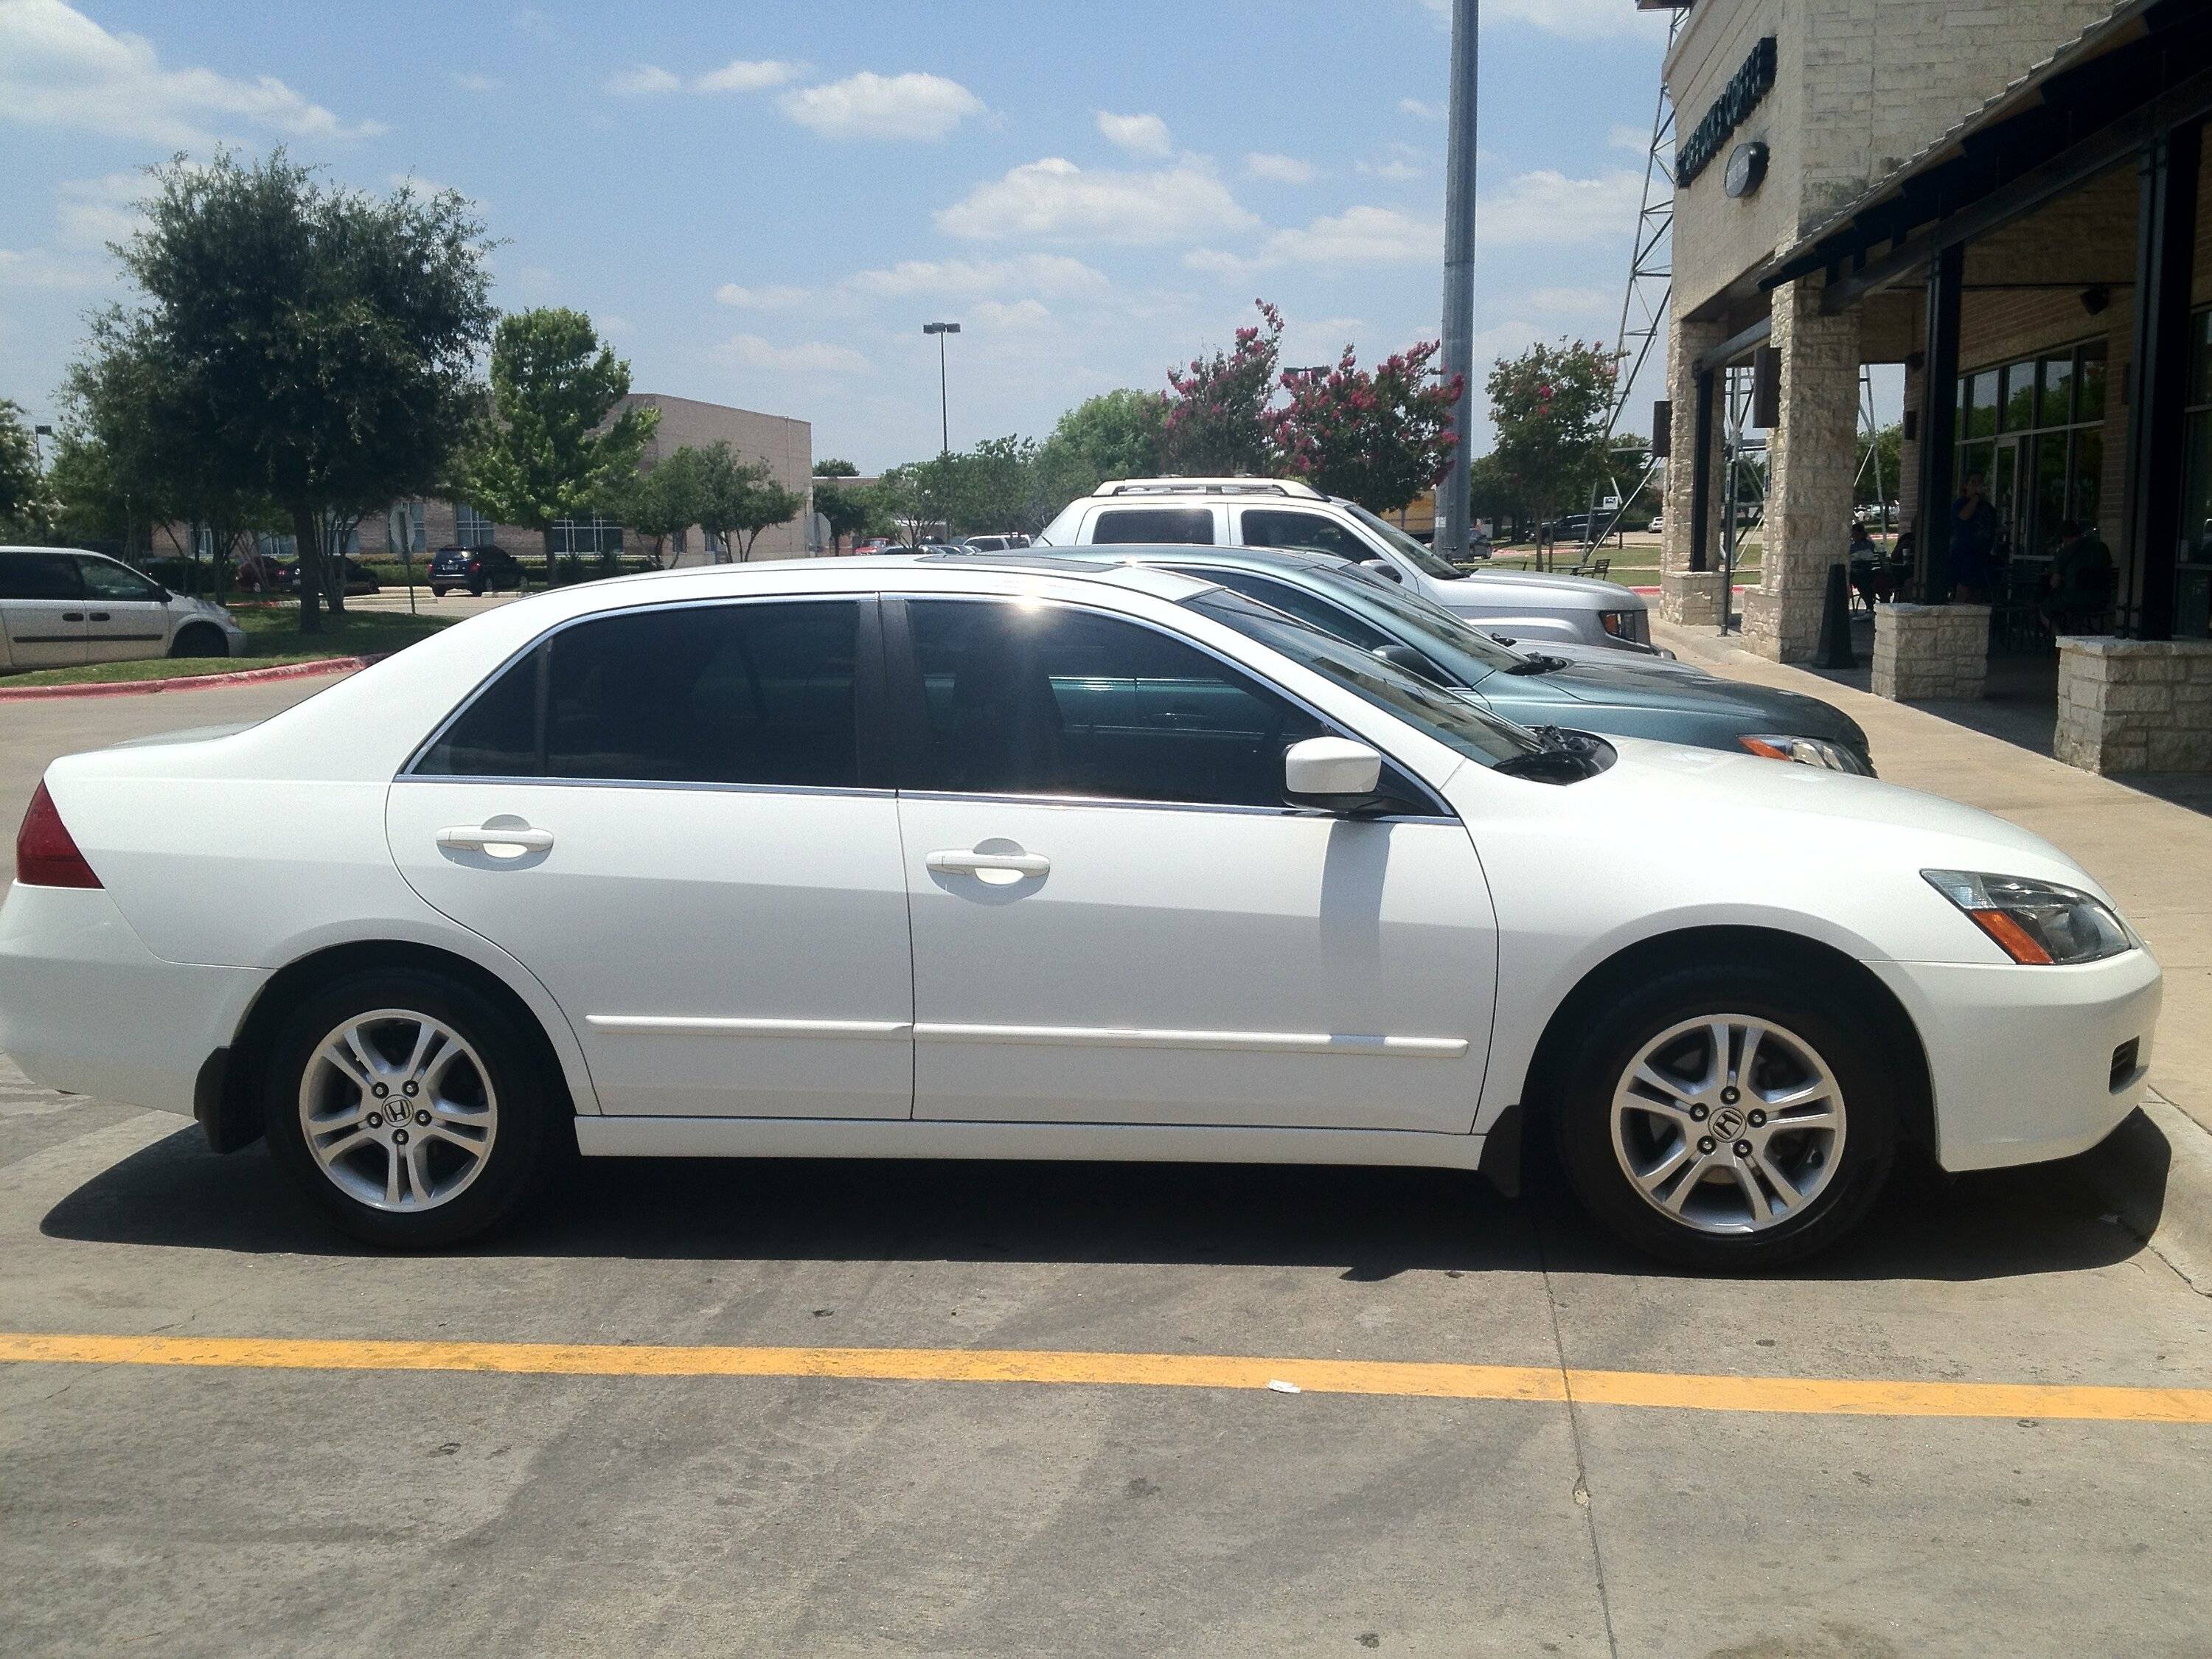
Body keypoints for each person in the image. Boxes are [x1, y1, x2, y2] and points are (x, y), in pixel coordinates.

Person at [2043, 519, 2115, 634]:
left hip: (2075, 599)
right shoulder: (2101, 547)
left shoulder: (2065, 552)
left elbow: (2054, 583)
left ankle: (2062, 640)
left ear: (2064, 537)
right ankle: (2074, 635)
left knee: (2045, 608)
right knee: (2073, 610)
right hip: (2102, 599)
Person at [1947, 473, 2000, 601]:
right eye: (1974, 482)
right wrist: (1975, 497)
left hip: (1982, 556)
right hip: (1964, 555)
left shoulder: (1987, 507)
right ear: (1966, 485)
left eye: (1980, 483)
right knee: (1964, 591)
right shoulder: (1960, 504)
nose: (1978, 486)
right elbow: (1964, 517)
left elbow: (1993, 527)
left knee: (1979, 594)